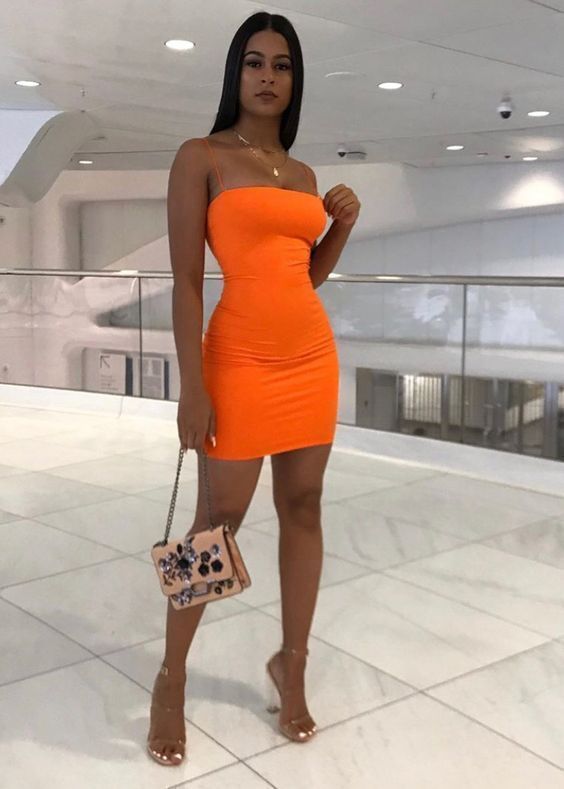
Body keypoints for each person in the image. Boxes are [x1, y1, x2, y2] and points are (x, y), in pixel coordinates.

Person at [147, 10, 360, 766]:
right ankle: (171, 678)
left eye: (282, 65)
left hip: (310, 358)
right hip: (236, 360)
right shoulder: (200, 156)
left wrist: (339, 229)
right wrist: (192, 385)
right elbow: (185, 281)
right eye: (255, 62)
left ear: (295, 80)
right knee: (217, 523)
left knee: (304, 507)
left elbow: (304, 276)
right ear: (235, 73)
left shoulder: (302, 176)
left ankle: (290, 665)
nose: (268, 77)